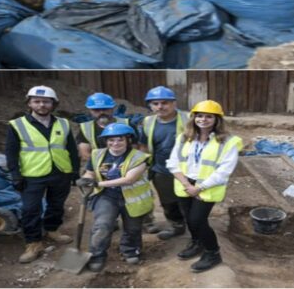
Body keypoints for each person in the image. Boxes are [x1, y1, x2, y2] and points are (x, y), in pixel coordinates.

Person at [166, 100, 243, 273]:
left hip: (207, 186)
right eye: (199, 116)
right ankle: (196, 243)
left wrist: (198, 188)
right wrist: (187, 184)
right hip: (185, 183)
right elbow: (172, 162)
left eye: (209, 116)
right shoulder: (184, 137)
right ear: (193, 118)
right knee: (188, 217)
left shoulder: (228, 142)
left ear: (217, 120)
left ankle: (213, 253)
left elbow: (224, 171)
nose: (203, 119)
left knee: (197, 220)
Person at [6, 85, 80, 263]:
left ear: (53, 104)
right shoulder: (17, 125)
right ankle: (33, 243)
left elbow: (71, 148)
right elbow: (11, 152)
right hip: (32, 174)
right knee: (30, 209)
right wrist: (15, 174)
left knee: (56, 204)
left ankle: (52, 229)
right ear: (29, 103)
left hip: (60, 171)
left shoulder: (63, 123)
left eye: (46, 102)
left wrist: (75, 171)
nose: (41, 105)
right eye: (37, 101)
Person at [77, 123, 152, 272]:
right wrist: (86, 178)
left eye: (120, 139)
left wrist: (98, 183)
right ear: (105, 141)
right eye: (111, 140)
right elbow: (90, 172)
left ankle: (130, 250)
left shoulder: (139, 157)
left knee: (133, 228)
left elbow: (129, 179)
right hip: (107, 196)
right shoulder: (97, 154)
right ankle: (97, 255)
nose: (115, 143)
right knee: (102, 225)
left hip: (132, 198)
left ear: (128, 140)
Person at [138, 86, 189, 240]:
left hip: (186, 168)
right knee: (168, 201)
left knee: (189, 200)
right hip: (161, 169)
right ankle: (177, 226)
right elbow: (144, 146)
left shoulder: (188, 119)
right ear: (150, 106)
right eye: (155, 103)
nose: (160, 107)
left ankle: (195, 228)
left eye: (164, 103)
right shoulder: (148, 121)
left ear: (174, 103)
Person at [76, 92, 131, 163]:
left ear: (112, 108)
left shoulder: (127, 124)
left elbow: (136, 149)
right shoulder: (85, 128)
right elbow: (85, 154)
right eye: (96, 110)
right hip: (98, 167)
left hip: (126, 166)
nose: (101, 112)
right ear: (90, 110)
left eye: (105, 109)